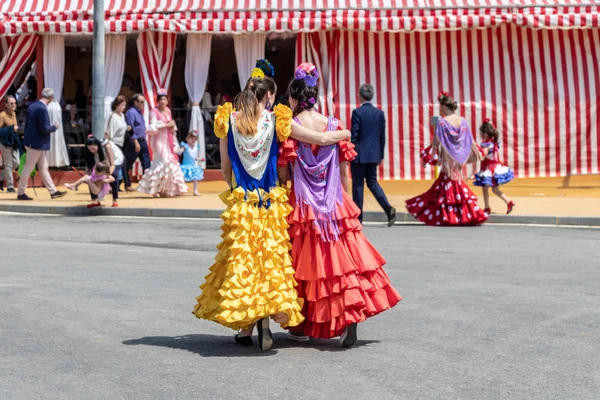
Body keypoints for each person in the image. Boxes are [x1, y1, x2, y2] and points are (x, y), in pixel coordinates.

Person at [193, 63, 351, 351]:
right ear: (269, 97)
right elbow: (285, 166)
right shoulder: (277, 122)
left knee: (243, 263)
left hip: (242, 202)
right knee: (272, 263)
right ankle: (271, 313)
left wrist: (235, 188)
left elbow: (226, 168)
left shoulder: (228, 119)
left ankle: (248, 326)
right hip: (272, 202)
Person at [278, 63, 402, 348]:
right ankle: (349, 317)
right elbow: (345, 172)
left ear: (294, 98)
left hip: (303, 204)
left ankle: (301, 323)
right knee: (342, 263)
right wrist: (347, 203)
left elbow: (285, 171)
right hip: (334, 200)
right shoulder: (333, 125)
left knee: (307, 265)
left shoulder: (290, 128)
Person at [406, 91, 488, 226]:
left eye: (441, 106)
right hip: (459, 159)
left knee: (448, 186)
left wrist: (428, 157)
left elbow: (436, 143)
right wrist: (473, 153)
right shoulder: (462, 121)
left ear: (444, 106)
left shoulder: (443, 123)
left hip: (447, 159)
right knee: (452, 184)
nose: (440, 109)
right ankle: (463, 215)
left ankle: (450, 216)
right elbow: (469, 141)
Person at [350, 84, 396, 226]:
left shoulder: (357, 113)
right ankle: (388, 208)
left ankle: (359, 218)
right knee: (373, 183)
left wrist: (349, 149)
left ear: (360, 95)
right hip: (373, 155)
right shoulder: (379, 113)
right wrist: (380, 155)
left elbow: (354, 135)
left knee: (358, 185)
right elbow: (382, 136)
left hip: (359, 155)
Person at [17, 88, 67, 201]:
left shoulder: (33, 106)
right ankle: (21, 192)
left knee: (43, 167)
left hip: (33, 142)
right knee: (29, 168)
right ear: (51, 97)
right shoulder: (41, 109)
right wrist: (55, 127)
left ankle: (53, 191)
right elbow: (44, 128)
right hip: (37, 144)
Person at [137, 89, 187, 197]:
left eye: (164, 99)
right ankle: (153, 190)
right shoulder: (154, 112)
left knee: (170, 163)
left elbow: (171, 125)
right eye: (160, 99)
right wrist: (166, 125)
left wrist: (172, 126)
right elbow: (153, 126)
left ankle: (166, 189)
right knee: (162, 162)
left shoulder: (168, 111)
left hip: (168, 140)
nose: (162, 101)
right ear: (157, 101)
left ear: (167, 101)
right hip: (158, 140)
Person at [473, 119, 516, 215]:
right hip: (494, 167)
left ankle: (488, 207)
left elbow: (484, 155)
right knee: (493, 189)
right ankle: (507, 202)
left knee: (487, 189)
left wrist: (477, 150)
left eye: (481, 133)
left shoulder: (487, 144)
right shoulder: (493, 143)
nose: (480, 135)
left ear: (485, 134)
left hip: (490, 169)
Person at [74, 135, 124, 208]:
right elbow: (89, 168)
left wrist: (107, 176)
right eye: (90, 149)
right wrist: (86, 176)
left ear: (97, 145)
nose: (92, 151)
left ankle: (114, 199)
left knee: (114, 175)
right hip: (103, 163)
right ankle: (95, 200)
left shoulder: (106, 147)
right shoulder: (90, 152)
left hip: (116, 160)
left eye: (93, 148)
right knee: (90, 176)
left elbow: (112, 165)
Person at [105, 95, 133, 192]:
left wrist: (127, 128)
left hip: (122, 143)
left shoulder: (122, 116)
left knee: (121, 165)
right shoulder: (113, 116)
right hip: (114, 143)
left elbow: (122, 127)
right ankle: (114, 185)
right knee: (118, 164)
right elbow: (110, 133)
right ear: (117, 105)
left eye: (125, 105)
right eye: (122, 105)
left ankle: (115, 185)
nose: (124, 107)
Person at [124, 94, 151, 183]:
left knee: (146, 163)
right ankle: (120, 183)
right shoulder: (131, 112)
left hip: (142, 140)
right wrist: (135, 142)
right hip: (134, 141)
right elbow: (130, 128)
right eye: (142, 102)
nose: (143, 104)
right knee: (128, 163)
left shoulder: (139, 112)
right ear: (135, 102)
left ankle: (147, 183)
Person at [0, 95, 21, 192]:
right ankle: (10, 186)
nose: (14, 105)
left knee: (16, 163)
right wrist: (11, 129)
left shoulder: (14, 114)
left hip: (13, 142)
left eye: (15, 103)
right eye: (11, 103)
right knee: (8, 164)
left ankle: (0, 178)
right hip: (4, 142)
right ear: (6, 104)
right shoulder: (2, 115)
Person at [178, 131, 204, 196]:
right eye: (192, 138)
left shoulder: (196, 147)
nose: (193, 140)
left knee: (195, 178)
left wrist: (199, 159)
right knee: (181, 178)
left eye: (195, 139)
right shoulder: (185, 146)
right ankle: (180, 189)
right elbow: (180, 152)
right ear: (188, 138)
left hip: (193, 166)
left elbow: (194, 157)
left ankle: (195, 191)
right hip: (185, 165)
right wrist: (177, 151)